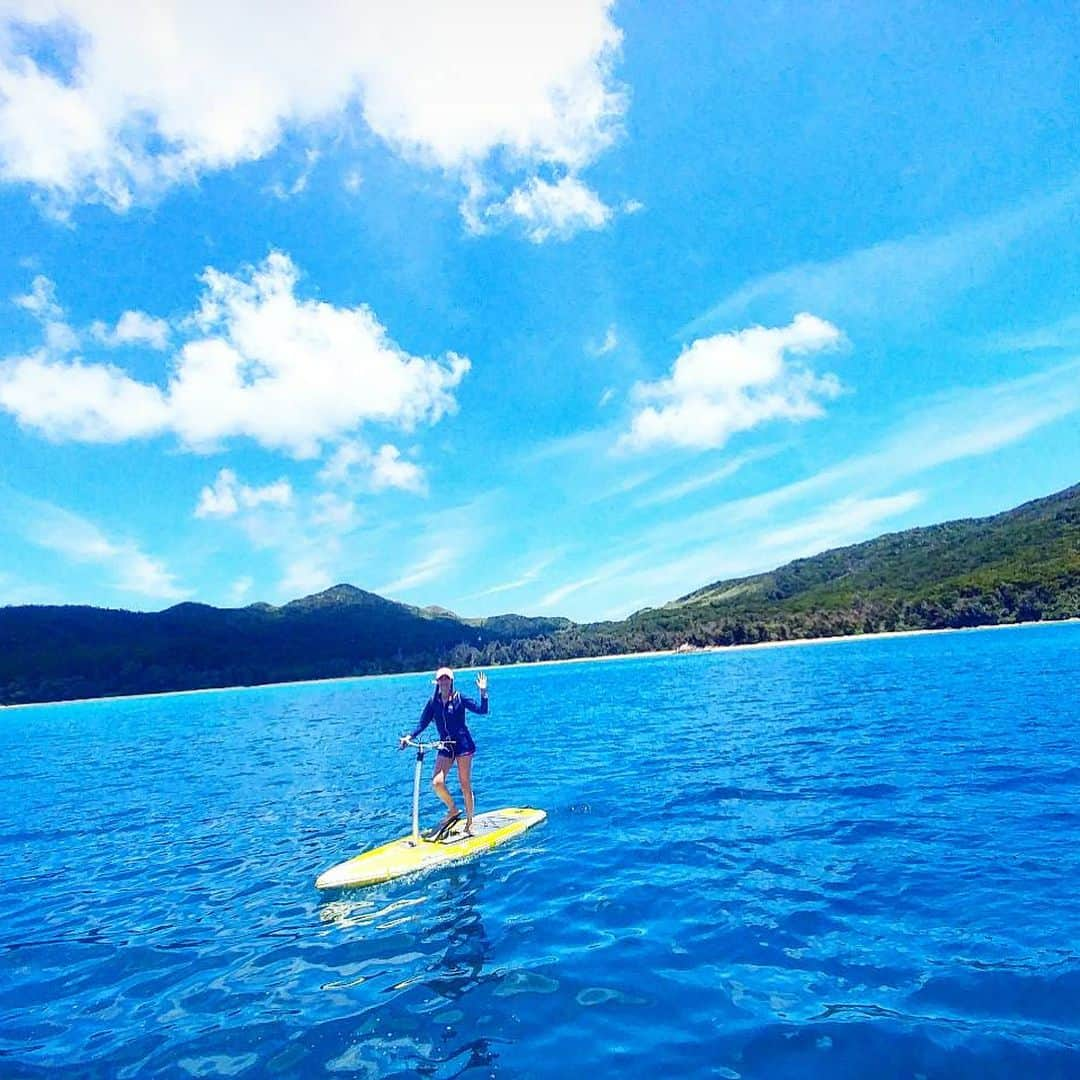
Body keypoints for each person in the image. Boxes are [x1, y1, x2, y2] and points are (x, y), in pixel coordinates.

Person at [400, 667, 488, 836]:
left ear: (451, 682)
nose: (444, 682)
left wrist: (483, 692)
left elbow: (482, 710)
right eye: (441, 679)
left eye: (447, 679)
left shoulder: (460, 698)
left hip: (463, 745)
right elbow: (422, 723)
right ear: (437, 682)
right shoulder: (434, 702)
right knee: (437, 783)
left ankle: (470, 822)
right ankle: (453, 809)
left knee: (464, 784)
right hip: (446, 745)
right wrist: (408, 737)